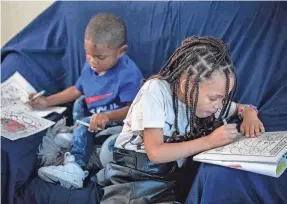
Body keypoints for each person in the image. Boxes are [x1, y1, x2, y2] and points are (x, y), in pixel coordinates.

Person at [96, 36, 265, 203]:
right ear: (187, 84)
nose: (219, 105)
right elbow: (155, 153)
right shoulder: (155, 90)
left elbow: (243, 107)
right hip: (135, 173)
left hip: (169, 177)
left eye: (223, 98)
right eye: (214, 98)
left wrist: (250, 115)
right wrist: (210, 141)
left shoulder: (208, 105)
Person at [28, 13, 144, 189]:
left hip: (119, 127)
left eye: (100, 57)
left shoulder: (129, 74)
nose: (92, 61)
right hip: (92, 123)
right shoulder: (90, 66)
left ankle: (75, 169)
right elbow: (77, 90)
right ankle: (77, 138)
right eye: (88, 53)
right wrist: (47, 101)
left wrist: (107, 116)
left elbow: (134, 110)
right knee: (77, 110)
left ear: (121, 52)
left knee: (86, 127)